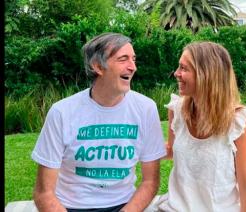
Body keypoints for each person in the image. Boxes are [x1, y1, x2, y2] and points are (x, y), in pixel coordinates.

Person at [31, 32, 166, 212]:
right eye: (123, 59)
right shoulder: (61, 112)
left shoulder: (146, 108)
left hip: (125, 205)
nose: (133, 67)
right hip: (70, 207)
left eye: (133, 59)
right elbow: (44, 192)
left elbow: (150, 181)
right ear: (97, 66)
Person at [146, 41, 246, 211]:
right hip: (175, 207)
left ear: (207, 74)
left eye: (184, 68)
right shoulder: (176, 110)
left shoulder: (237, 121)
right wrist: (136, 147)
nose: (176, 73)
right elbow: (170, 150)